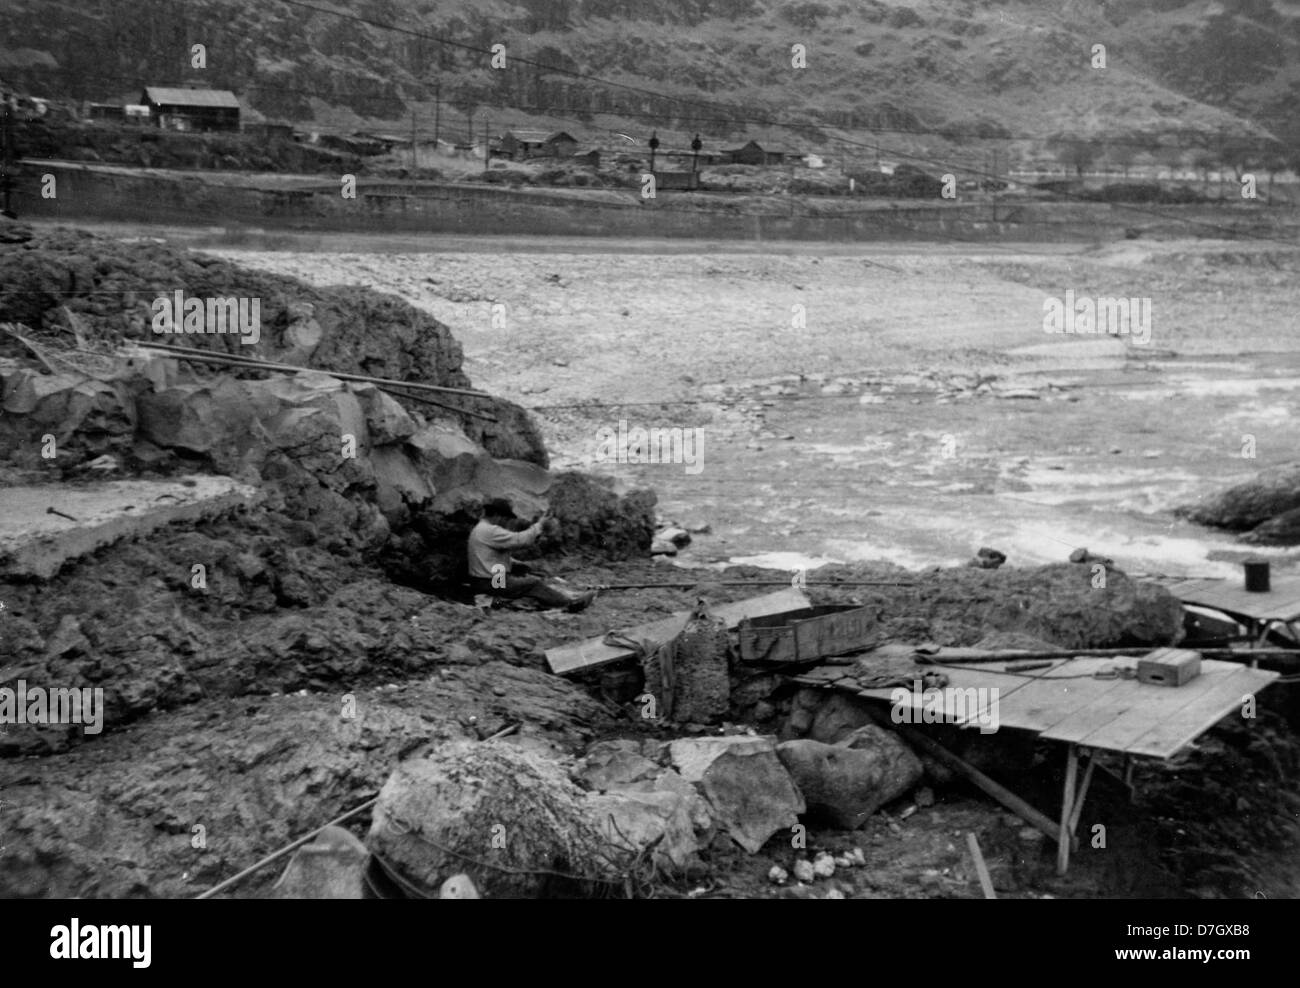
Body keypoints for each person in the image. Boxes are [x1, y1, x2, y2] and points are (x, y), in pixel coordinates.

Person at [467, 498, 596, 611]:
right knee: (533, 583)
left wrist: (516, 563)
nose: (506, 523)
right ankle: (569, 604)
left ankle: (546, 600)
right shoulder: (490, 531)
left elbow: (490, 557)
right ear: (497, 515)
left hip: (485, 580)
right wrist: (539, 525)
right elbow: (520, 540)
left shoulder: (481, 529)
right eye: (505, 519)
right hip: (492, 582)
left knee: (523, 577)